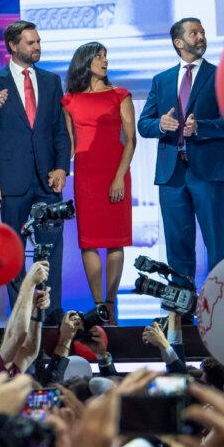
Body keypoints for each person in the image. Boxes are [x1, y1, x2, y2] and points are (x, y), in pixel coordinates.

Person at [0, 20, 70, 316]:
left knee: (51, 247)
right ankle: (21, 311)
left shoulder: (50, 81)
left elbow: (60, 130)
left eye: (38, 42)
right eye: (31, 43)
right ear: (13, 45)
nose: (37, 47)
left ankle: (51, 311)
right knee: (13, 250)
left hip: (47, 179)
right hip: (11, 178)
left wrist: (62, 167)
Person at [137, 18, 224, 288]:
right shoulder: (162, 80)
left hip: (207, 171)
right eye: (194, 33)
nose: (201, 36)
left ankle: (219, 306)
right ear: (179, 43)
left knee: (215, 242)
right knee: (177, 245)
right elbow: (144, 124)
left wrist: (201, 127)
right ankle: (182, 309)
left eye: (202, 32)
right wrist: (160, 125)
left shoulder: (219, 76)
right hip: (171, 174)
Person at [62, 42, 135, 324]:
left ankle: (111, 301)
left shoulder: (120, 95)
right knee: (89, 241)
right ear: (85, 61)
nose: (104, 61)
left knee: (115, 242)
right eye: (99, 56)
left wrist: (119, 176)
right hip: (86, 175)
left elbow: (131, 140)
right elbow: (69, 144)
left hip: (115, 172)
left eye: (106, 56)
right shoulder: (69, 100)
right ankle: (98, 305)